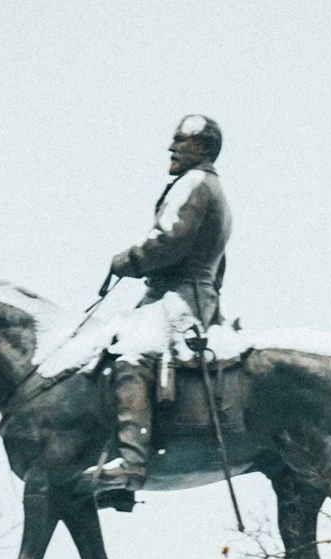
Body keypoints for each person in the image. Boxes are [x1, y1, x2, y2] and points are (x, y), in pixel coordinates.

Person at [87, 115, 231, 506]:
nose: (171, 148)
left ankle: (131, 462)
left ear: (202, 148)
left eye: (180, 141)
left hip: (180, 297)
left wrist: (127, 261)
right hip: (181, 294)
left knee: (132, 355)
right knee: (111, 347)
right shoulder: (207, 187)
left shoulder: (195, 184)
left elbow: (169, 241)